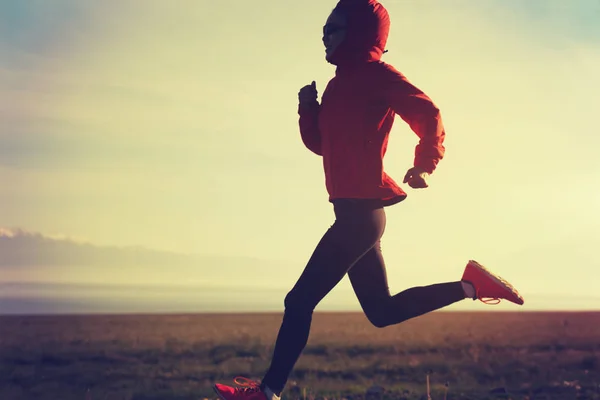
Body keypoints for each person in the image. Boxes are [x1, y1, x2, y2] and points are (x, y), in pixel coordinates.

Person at [213, 1, 524, 399]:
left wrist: (424, 164)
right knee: (382, 312)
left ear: (359, 32)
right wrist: (308, 110)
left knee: (299, 301)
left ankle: (268, 391)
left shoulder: (379, 75)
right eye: (323, 30)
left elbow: (428, 114)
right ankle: (470, 286)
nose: (324, 37)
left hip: (360, 216)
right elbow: (324, 147)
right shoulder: (337, 84)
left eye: (333, 28)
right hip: (356, 213)